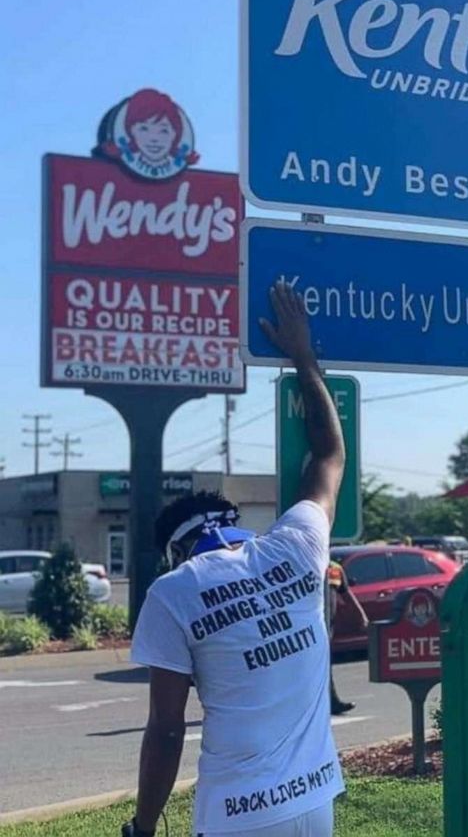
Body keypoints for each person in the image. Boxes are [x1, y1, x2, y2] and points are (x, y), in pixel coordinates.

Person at [124, 282, 346, 837]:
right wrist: (302, 353)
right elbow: (328, 452)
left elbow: (167, 731)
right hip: (315, 801)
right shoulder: (295, 544)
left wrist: (144, 828)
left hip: (236, 815)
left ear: (175, 551)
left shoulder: (173, 592)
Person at [326, 560, 368, 716]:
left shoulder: (334, 569)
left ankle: (332, 701)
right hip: (307, 628)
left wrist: (361, 616)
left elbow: (346, 593)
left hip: (327, 626)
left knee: (325, 665)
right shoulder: (305, 564)